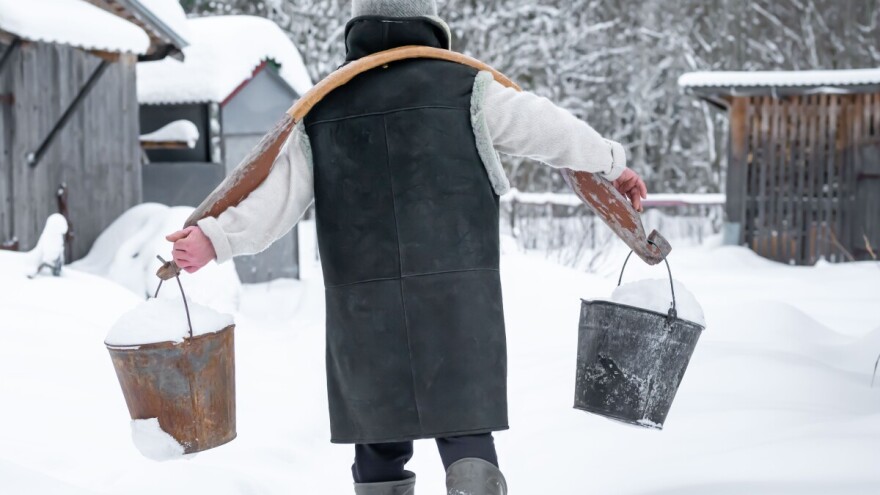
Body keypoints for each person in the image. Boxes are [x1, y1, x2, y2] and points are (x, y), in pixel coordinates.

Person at [166, 1, 648, 493]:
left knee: (378, 439)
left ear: (359, 22)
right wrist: (611, 163)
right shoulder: (468, 88)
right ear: (428, 17)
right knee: (465, 430)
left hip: (364, 309)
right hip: (458, 303)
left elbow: (276, 197)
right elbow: (550, 130)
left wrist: (215, 238)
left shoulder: (325, 105)